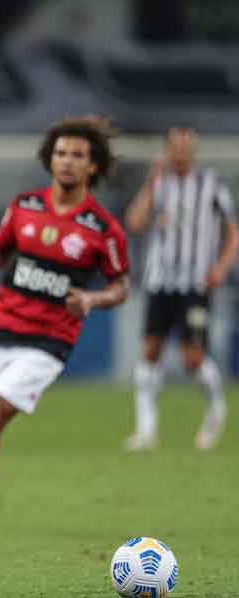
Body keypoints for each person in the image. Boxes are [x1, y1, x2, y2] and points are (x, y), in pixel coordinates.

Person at [0, 116, 130, 542]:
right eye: (61, 153)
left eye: (78, 156)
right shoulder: (24, 206)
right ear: (50, 159)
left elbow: (120, 287)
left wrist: (92, 299)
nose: (67, 162)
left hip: (48, 343)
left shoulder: (103, 230)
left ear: (93, 166)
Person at [123, 127, 238, 451]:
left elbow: (233, 235)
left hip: (196, 284)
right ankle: (146, 431)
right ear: (167, 151)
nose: (181, 153)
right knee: (151, 350)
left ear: (194, 151)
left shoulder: (212, 186)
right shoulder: (158, 185)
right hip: (160, 281)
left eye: (186, 147)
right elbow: (134, 222)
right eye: (175, 147)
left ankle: (216, 408)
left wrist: (220, 268)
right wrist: (150, 182)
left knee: (192, 358)